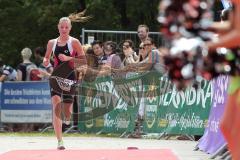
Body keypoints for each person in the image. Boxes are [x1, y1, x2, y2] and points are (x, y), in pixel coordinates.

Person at [43, 17, 86, 150]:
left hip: (70, 77)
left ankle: (67, 116)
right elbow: (46, 57)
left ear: (70, 28)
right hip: (56, 77)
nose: (64, 30)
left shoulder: (74, 42)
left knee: (67, 112)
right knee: (56, 104)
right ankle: (60, 141)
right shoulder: (52, 43)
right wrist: (45, 61)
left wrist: (69, 58)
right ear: (58, 27)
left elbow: (84, 61)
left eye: (66, 27)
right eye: (62, 27)